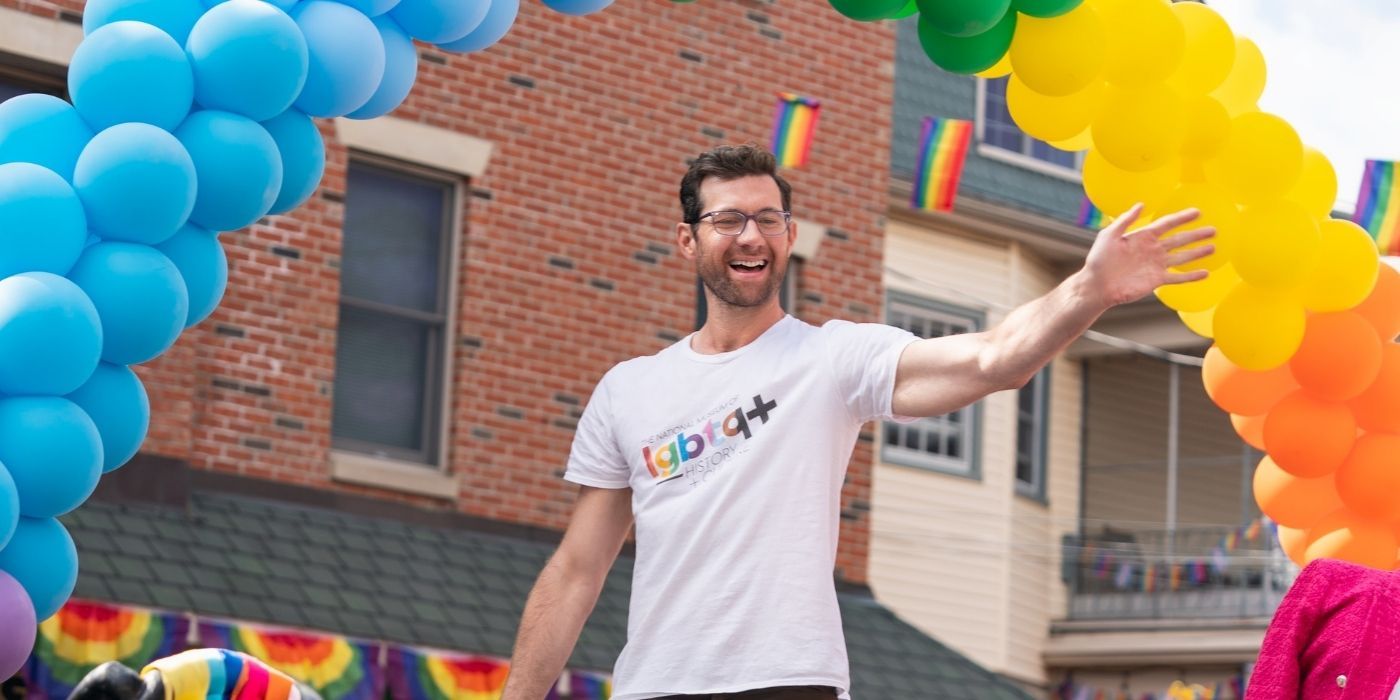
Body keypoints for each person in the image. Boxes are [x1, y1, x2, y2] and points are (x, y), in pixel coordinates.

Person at [500, 144, 1214, 700]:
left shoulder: (832, 358)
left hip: (786, 680)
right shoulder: (630, 390)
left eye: (767, 219)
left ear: (789, 234)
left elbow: (996, 359)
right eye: (726, 220)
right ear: (688, 241)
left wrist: (1090, 289)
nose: (750, 236)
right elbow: (575, 571)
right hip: (655, 684)